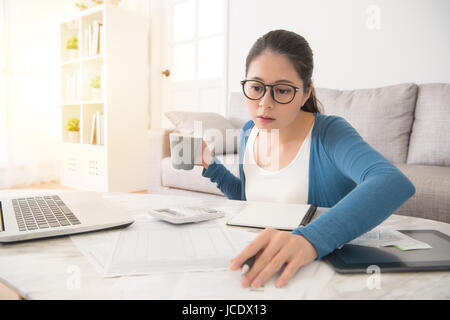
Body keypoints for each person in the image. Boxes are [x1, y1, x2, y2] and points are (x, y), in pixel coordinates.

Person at [196, 29, 415, 289]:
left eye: (283, 90)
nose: (265, 103)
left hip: (312, 277)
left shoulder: (329, 134)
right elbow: (249, 201)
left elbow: (392, 182)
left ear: (305, 93)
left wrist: (310, 240)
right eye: (256, 87)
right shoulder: (248, 132)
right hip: (258, 267)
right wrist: (211, 164)